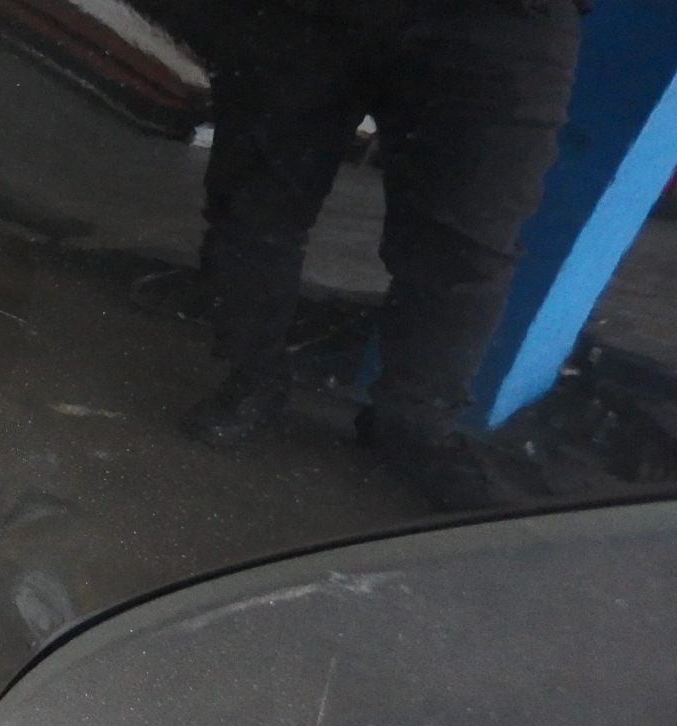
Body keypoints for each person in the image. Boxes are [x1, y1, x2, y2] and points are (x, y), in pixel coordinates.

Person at [180, 0, 587, 508]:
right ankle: (251, 375)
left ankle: (414, 424)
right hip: (306, 17)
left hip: (503, 23)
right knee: (253, 211)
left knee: (467, 247)